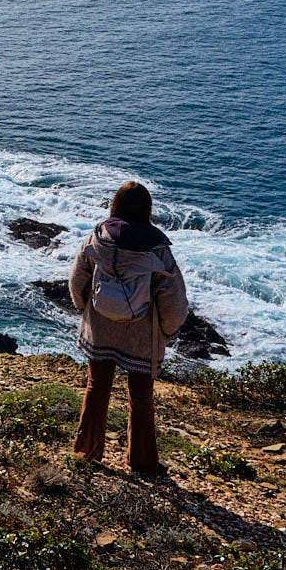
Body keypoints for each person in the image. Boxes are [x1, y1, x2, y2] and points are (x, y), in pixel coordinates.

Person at [68, 180, 188, 473]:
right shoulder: (158, 249)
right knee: (141, 397)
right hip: (141, 335)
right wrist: (168, 331)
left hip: (101, 328)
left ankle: (86, 453)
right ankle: (143, 462)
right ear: (147, 209)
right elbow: (173, 298)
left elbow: (77, 279)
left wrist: (86, 310)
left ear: (116, 205)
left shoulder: (97, 237)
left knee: (97, 388)